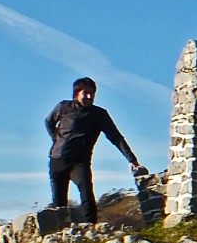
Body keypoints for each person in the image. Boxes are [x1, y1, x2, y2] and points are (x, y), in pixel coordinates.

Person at [45, 77, 144, 224]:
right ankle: (60, 236)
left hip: (79, 162)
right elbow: (48, 122)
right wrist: (56, 139)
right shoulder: (63, 107)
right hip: (57, 159)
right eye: (86, 93)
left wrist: (132, 159)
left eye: (92, 93)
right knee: (59, 204)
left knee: (87, 195)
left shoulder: (99, 115)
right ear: (77, 93)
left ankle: (91, 229)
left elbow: (116, 137)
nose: (89, 97)